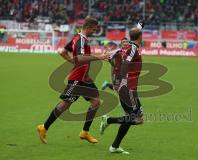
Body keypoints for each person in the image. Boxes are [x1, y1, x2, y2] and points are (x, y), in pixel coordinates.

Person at [37, 16, 109, 144]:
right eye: (94, 30)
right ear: (88, 28)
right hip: (76, 79)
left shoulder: (77, 38)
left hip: (85, 78)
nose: (94, 32)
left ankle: (85, 132)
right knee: (65, 104)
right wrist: (100, 57)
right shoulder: (80, 40)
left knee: (96, 102)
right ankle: (44, 127)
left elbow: (63, 52)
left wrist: (74, 62)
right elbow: (80, 58)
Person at [100, 27, 144, 154]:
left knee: (137, 119)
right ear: (140, 37)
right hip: (128, 88)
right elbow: (125, 64)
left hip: (130, 88)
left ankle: (114, 145)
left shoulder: (130, 46)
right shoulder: (133, 49)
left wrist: (140, 26)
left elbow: (135, 33)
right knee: (135, 118)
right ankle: (108, 121)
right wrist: (123, 80)